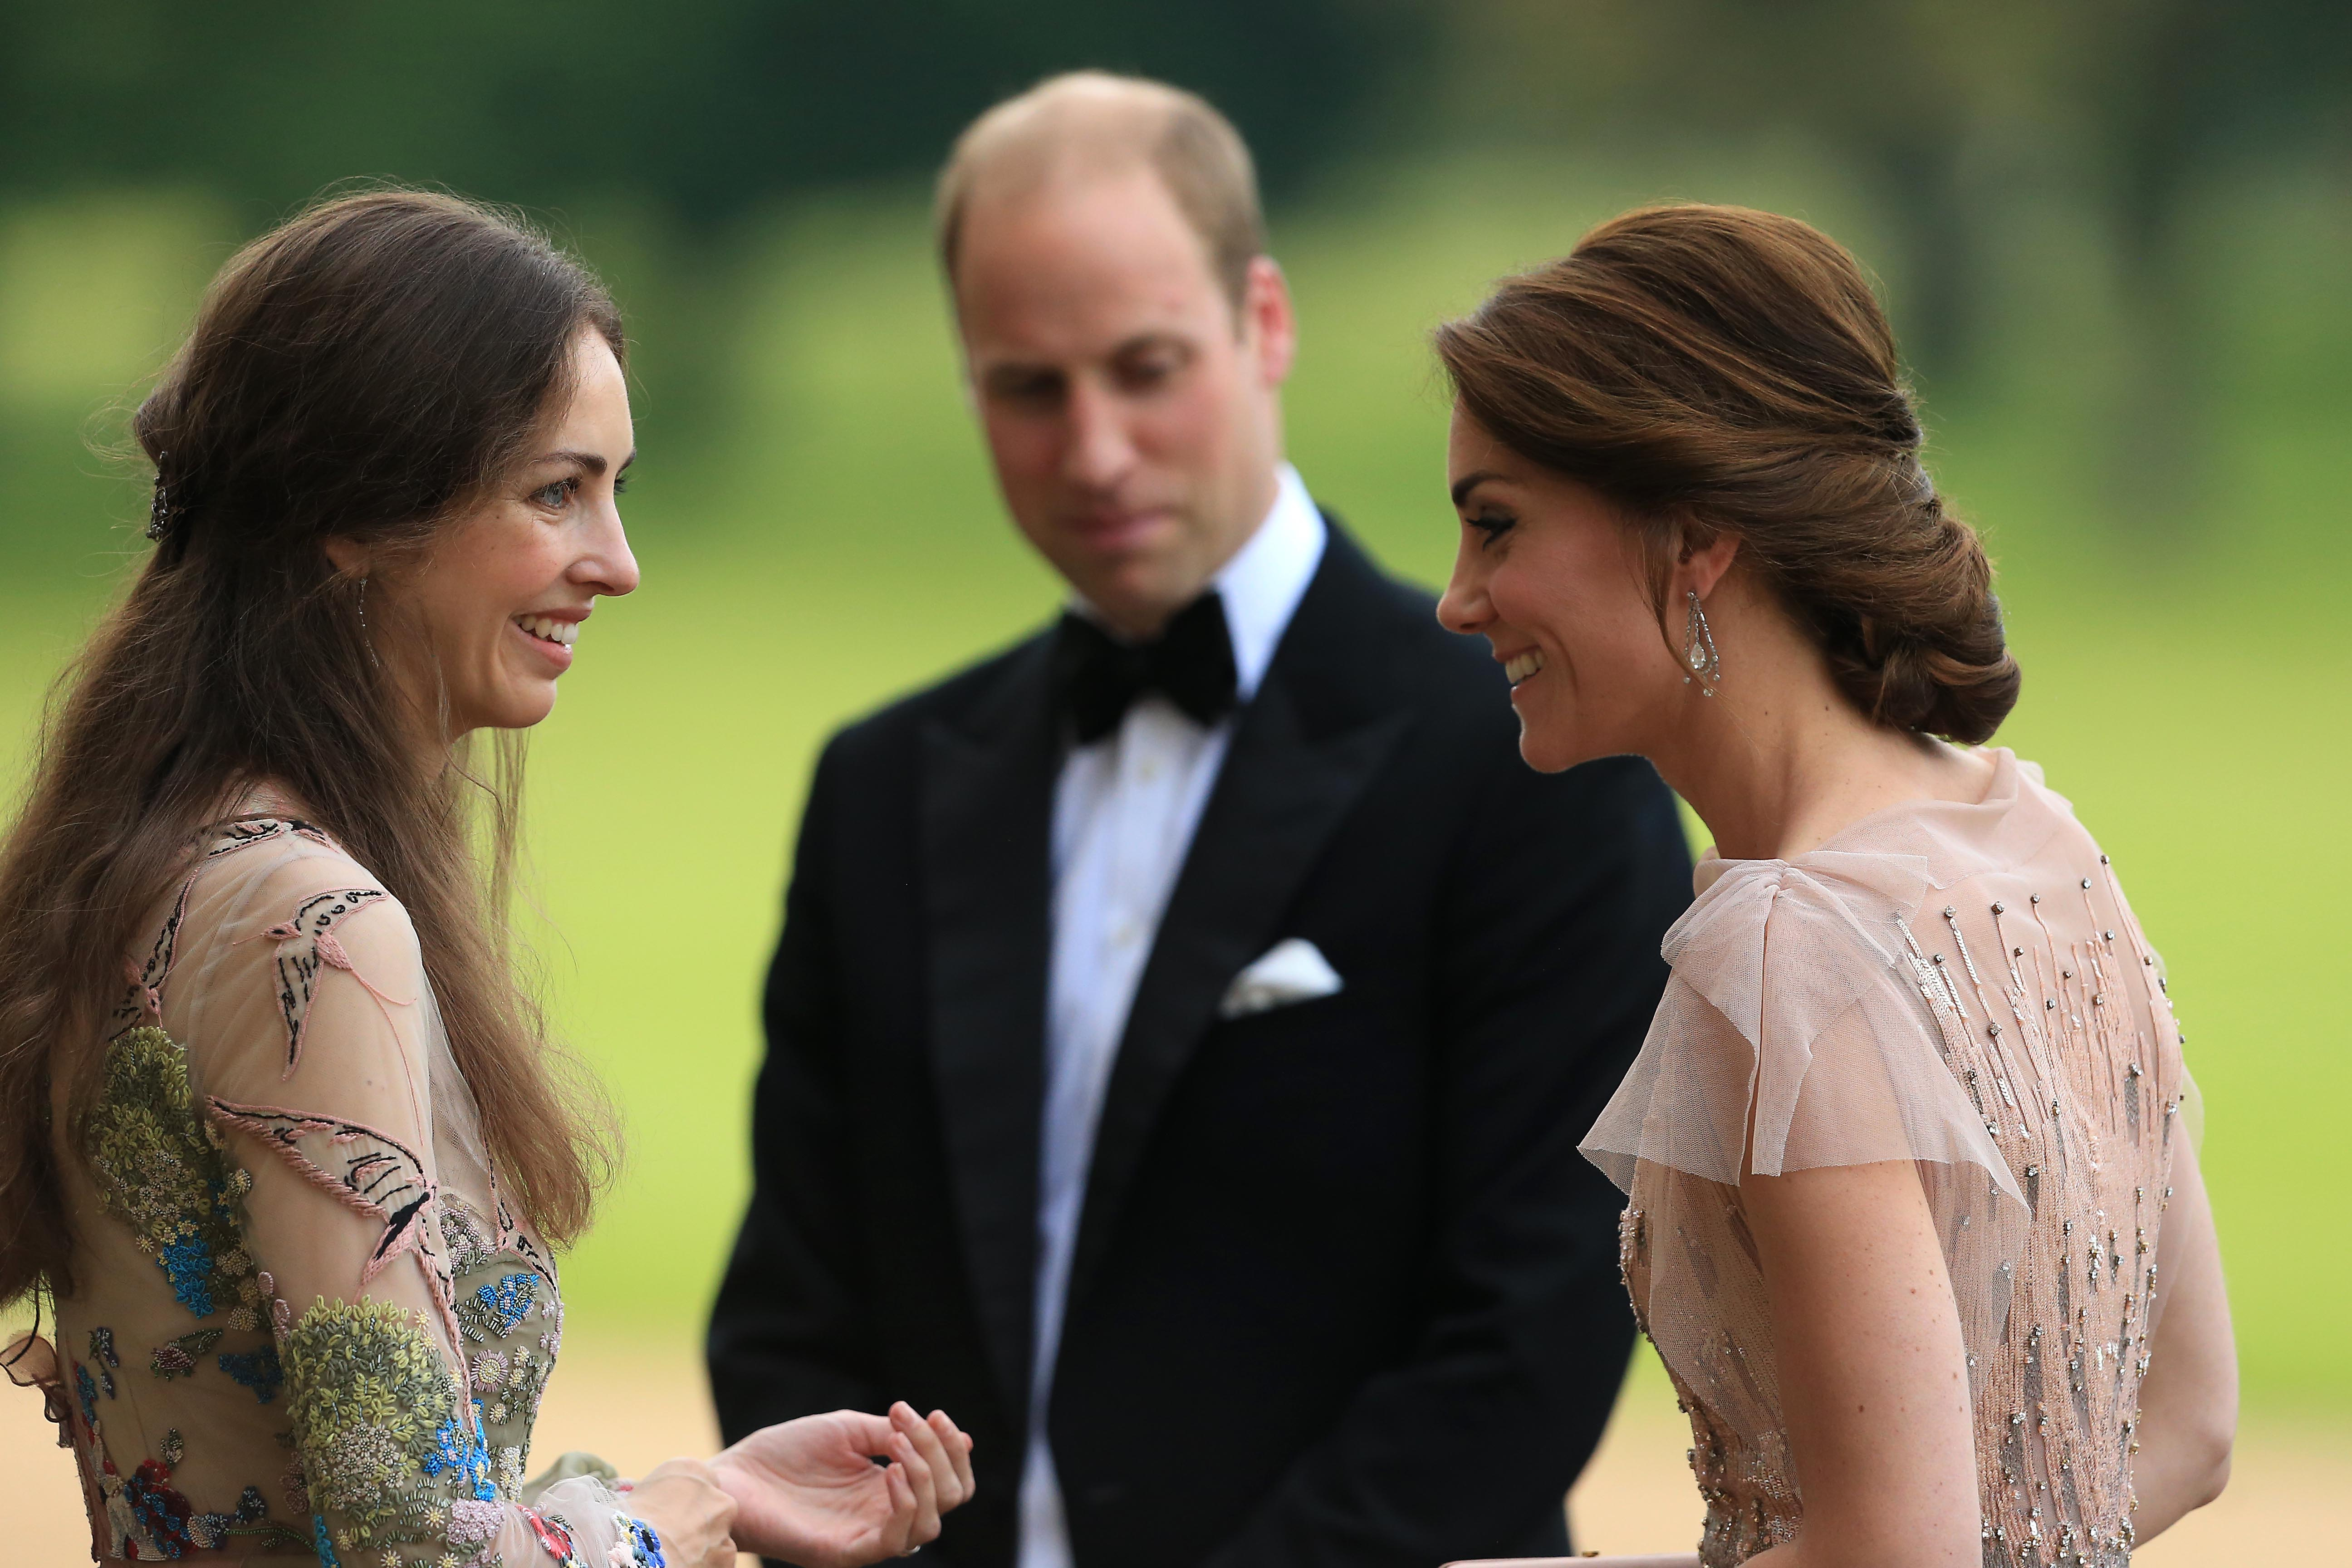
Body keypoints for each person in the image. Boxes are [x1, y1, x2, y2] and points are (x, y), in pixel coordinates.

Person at [705, 72, 1693, 1568]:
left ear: (1265, 323)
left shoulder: (1535, 756)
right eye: (1030, 387)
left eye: (1146, 367)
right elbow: (792, 1308)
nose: (1094, 450)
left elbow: (1536, 1325)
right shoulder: (883, 784)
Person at [0, 191, 975, 1568]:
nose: (618, 564)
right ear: (353, 515)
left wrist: (706, 1483)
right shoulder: (309, 923)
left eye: (615, 491)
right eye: (555, 491)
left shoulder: (166, 854)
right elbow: (417, 1553)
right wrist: (680, 1518)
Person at [1431, 204, 2237, 1568]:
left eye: (1497, 528)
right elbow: (2191, 1428)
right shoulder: (2032, 837)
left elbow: (1896, 1553)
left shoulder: (1787, 939)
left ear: (1695, 537)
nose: (1461, 599)